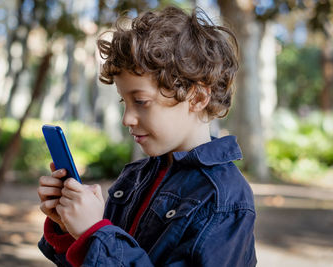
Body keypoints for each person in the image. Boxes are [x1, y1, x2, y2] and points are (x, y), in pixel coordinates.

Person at [37, 5, 257, 267]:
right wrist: (71, 228)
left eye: (140, 101)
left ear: (197, 97)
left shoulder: (224, 199)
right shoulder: (135, 177)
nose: (126, 118)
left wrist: (95, 232)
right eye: (124, 102)